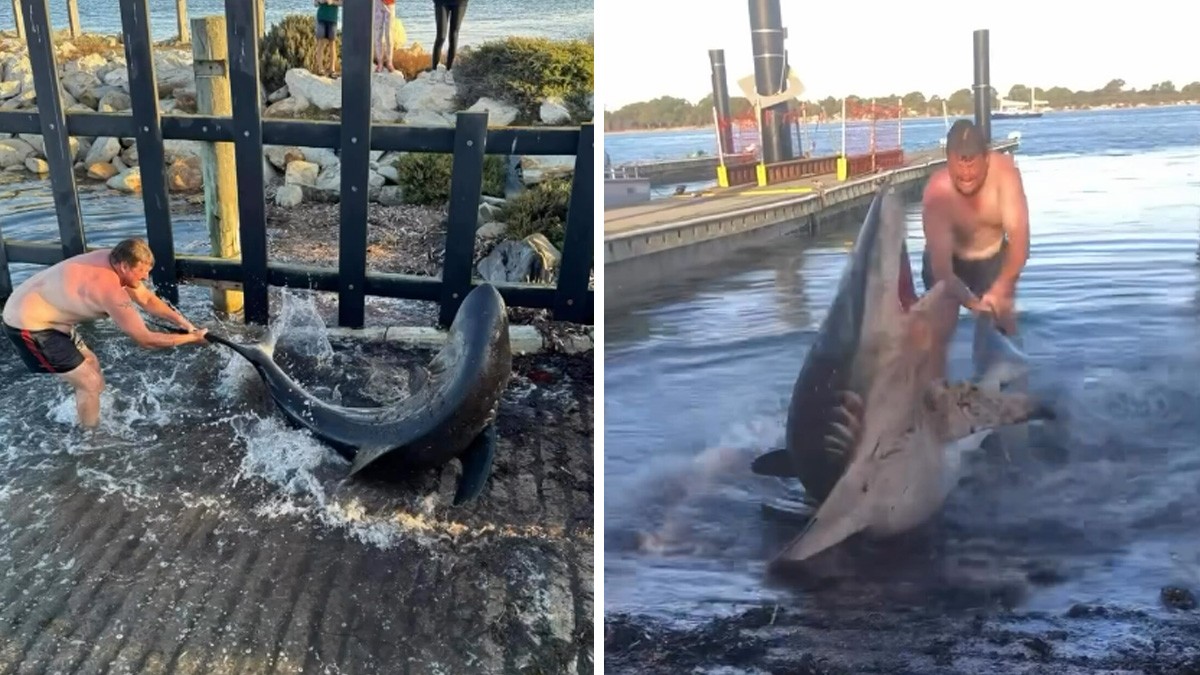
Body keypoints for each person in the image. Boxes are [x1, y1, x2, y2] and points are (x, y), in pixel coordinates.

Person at [1, 238, 209, 429]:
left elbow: (146, 299)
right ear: (124, 266)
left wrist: (183, 322)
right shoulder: (109, 290)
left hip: (53, 318)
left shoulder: (114, 258)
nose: (146, 277)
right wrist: (192, 339)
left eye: (148, 271)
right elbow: (146, 340)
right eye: (142, 272)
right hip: (30, 326)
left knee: (91, 364)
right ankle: (90, 440)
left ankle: (87, 408)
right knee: (90, 383)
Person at [920, 118, 1030, 337]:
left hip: (992, 257)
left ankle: (1009, 367)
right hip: (950, 262)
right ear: (948, 159)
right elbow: (942, 270)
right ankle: (934, 369)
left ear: (987, 159)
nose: (967, 175)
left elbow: (1020, 242)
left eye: (973, 167)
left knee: (1003, 323)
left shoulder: (1006, 175)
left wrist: (1002, 287)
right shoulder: (937, 193)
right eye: (959, 169)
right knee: (937, 327)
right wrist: (972, 303)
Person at [430, 0, 468, 83]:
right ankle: (434, 70)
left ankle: (449, 70)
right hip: (441, 2)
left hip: (460, 3)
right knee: (441, 36)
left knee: (453, 35)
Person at [313, 0, 342, 77]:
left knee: (332, 44)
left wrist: (332, 2)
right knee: (320, 44)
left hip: (332, 19)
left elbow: (342, 3)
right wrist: (320, 1)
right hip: (321, 19)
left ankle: (332, 69)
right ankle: (320, 69)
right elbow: (315, 4)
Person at [373, 0, 397, 73]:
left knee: (389, 34)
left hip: (390, 3)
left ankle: (389, 62)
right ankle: (380, 63)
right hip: (377, 3)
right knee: (377, 33)